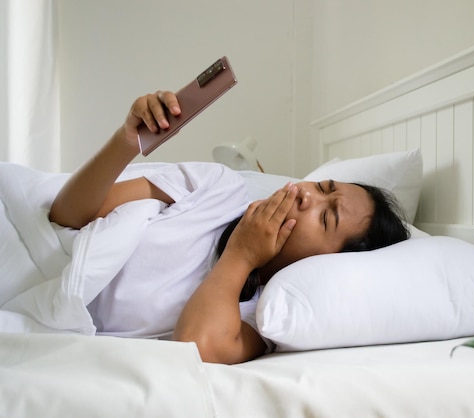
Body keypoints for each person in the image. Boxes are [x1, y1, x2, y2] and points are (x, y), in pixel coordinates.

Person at [48, 90, 409, 364]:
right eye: (320, 187)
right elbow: (67, 214)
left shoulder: (265, 311)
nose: (305, 195)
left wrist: (242, 253)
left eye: (327, 216)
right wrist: (128, 141)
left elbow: (197, 346)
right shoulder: (217, 186)